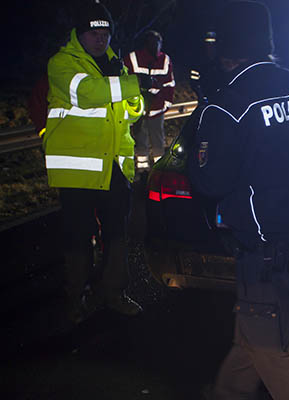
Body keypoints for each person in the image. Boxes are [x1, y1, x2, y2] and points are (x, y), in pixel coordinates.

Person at [186, 2, 289, 399]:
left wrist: (200, 121)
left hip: (266, 251)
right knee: (255, 336)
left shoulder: (227, 104)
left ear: (226, 48)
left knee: (280, 355)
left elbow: (209, 181)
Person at [43, 1, 152, 324]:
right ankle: (75, 297)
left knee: (117, 235)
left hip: (114, 167)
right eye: (93, 32)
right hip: (79, 170)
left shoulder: (114, 66)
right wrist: (131, 85)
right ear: (79, 34)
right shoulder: (62, 64)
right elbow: (87, 94)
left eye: (105, 32)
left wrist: (133, 98)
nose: (100, 38)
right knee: (78, 236)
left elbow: (134, 110)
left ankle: (113, 293)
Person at [124, 30, 175, 171]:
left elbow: (169, 85)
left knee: (158, 141)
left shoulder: (165, 60)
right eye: (152, 42)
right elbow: (124, 81)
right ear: (145, 43)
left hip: (157, 109)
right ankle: (143, 170)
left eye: (157, 43)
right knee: (141, 141)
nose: (155, 45)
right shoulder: (133, 58)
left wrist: (165, 104)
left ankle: (159, 170)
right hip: (138, 108)